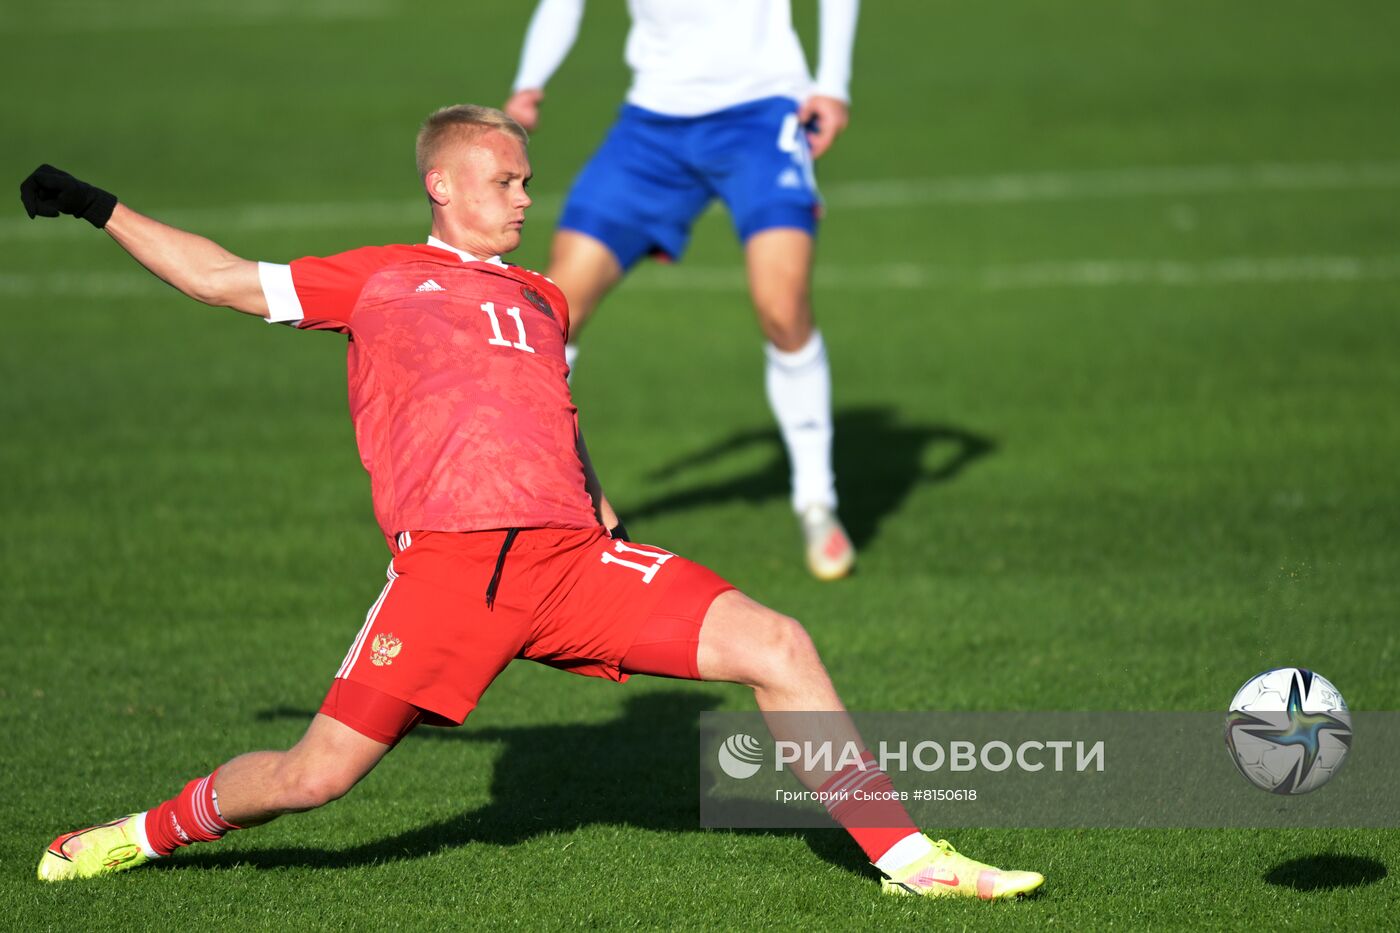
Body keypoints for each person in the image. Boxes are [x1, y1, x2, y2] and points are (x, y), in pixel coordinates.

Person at [20, 105, 1041, 900]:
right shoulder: (380, 280)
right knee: (310, 778)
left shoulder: (540, 300)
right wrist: (97, 203)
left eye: (525, 182)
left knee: (776, 643)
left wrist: (601, 508)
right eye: (503, 182)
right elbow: (220, 279)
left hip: (573, 563)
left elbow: (555, 414)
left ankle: (909, 858)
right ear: (441, 183)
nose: (521, 199)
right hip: (448, 577)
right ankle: (133, 836)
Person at [505, 0, 859, 581]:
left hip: (763, 113)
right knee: (554, 309)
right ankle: (536, 502)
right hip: (651, 126)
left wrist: (833, 83)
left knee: (782, 306)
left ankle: (817, 501)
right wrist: (529, 83)